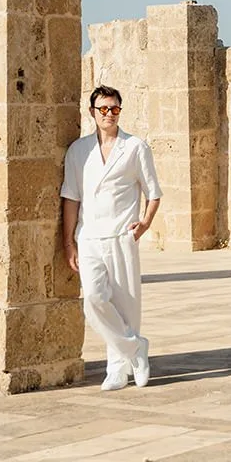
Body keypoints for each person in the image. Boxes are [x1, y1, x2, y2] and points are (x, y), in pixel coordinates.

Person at [61, 86, 162, 390]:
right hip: (89, 237)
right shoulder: (78, 151)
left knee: (126, 305)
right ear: (92, 112)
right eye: (103, 109)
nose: (109, 114)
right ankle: (135, 349)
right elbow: (70, 197)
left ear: (120, 111)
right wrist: (68, 242)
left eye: (114, 109)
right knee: (94, 299)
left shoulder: (135, 147)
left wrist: (144, 224)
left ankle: (117, 369)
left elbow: (153, 192)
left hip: (122, 235)